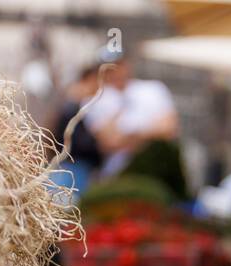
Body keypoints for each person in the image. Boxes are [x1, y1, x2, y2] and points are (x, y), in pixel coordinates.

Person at [84, 54, 180, 179]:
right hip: (118, 172)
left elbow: (169, 130)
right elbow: (108, 143)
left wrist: (131, 136)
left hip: (158, 168)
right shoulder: (95, 100)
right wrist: (150, 134)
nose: (115, 71)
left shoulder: (153, 89)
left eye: (118, 65)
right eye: (109, 67)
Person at [50, 65, 104, 197]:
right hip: (71, 167)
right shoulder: (73, 105)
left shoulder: (78, 105)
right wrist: (97, 140)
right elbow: (73, 140)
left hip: (74, 167)